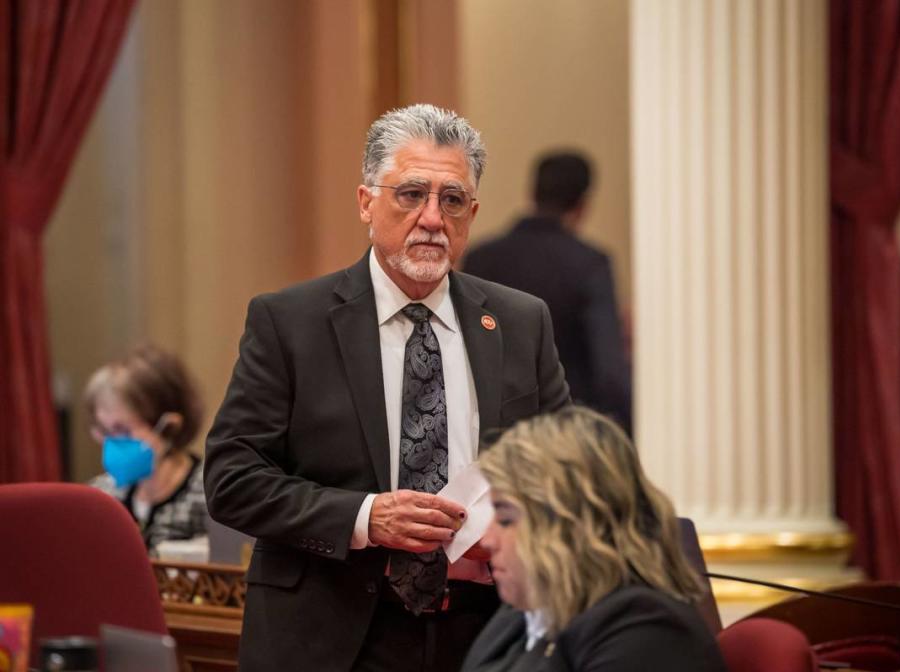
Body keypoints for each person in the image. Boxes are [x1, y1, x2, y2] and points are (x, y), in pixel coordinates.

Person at [204, 104, 570, 672]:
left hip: (485, 633)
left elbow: (567, 474)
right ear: (366, 203)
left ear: (471, 213)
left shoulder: (522, 322)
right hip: (330, 634)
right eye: (410, 194)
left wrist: (510, 532)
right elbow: (232, 479)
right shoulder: (291, 322)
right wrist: (365, 517)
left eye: (451, 200)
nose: (431, 218)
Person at [462, 406, 726, 672]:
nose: (488, 540)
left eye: (506, 519)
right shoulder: (534, 603)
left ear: (573, 524)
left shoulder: (643, 629)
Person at [462, 152, 631, 432]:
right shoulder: (590, 264)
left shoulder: (481, 258)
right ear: (582, 204)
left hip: (492, 435)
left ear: (533, 193)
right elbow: (609, 370)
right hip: (565, 435)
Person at [85, 344, 206, 553]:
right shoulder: (99, 497)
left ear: (169, 426)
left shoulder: (211, 494)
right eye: (104, 430)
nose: (110, 442)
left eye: (122, 430)